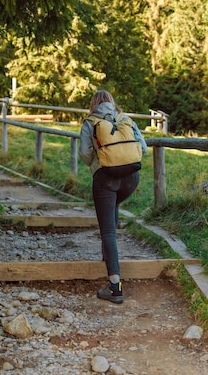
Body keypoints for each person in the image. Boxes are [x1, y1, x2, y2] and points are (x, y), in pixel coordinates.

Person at [79, 90, 148, 304]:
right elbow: (143, 149)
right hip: (131, 179)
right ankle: (109, 256)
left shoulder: (90, 122)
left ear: (93, 104)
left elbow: (84, 153)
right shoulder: (125, 119)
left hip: (106, 179)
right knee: (112, 210)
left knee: (107, 231)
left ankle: (115, 287)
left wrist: (99, 162)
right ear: (111, 103)